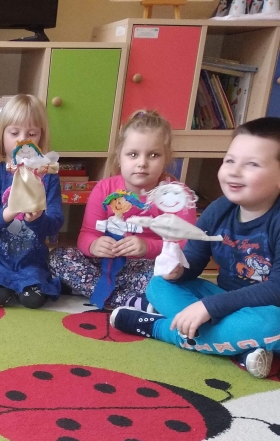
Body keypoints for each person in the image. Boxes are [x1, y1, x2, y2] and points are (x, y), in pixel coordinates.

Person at [111, 117, 280, 379]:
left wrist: (209, 308)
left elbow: (276, 290)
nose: (234, 171)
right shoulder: (219, 209)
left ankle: (159, 329)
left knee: (272, 322)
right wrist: (178, 270)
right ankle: (237, 346)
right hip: (224, 299)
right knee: (159, 285)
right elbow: (193, 261)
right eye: (229, 160)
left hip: (268, 307)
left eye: (252, 164)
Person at [49, 110, 196, 308]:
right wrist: (94, 245)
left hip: (147, 267)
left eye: (153, 155)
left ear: (166, 158)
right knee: (57, 257)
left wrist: (147, 246)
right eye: (133, 154)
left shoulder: (177, 195)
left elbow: (187, 245)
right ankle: (128, 299)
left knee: (170, 276)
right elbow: (87, 234)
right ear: (120, 157)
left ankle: (101, 291)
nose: (142, 163)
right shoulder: (104, 188)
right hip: (106, 265)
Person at [0, 94, 64, 308]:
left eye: (31, 134)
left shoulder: (48, 177)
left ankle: (25, 282)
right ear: (2, 135)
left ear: (41, 137)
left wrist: (38, 218)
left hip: (29, 259)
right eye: (14, 133)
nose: (22, 141)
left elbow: (55, 222)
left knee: (33, 299)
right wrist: (10, 210)